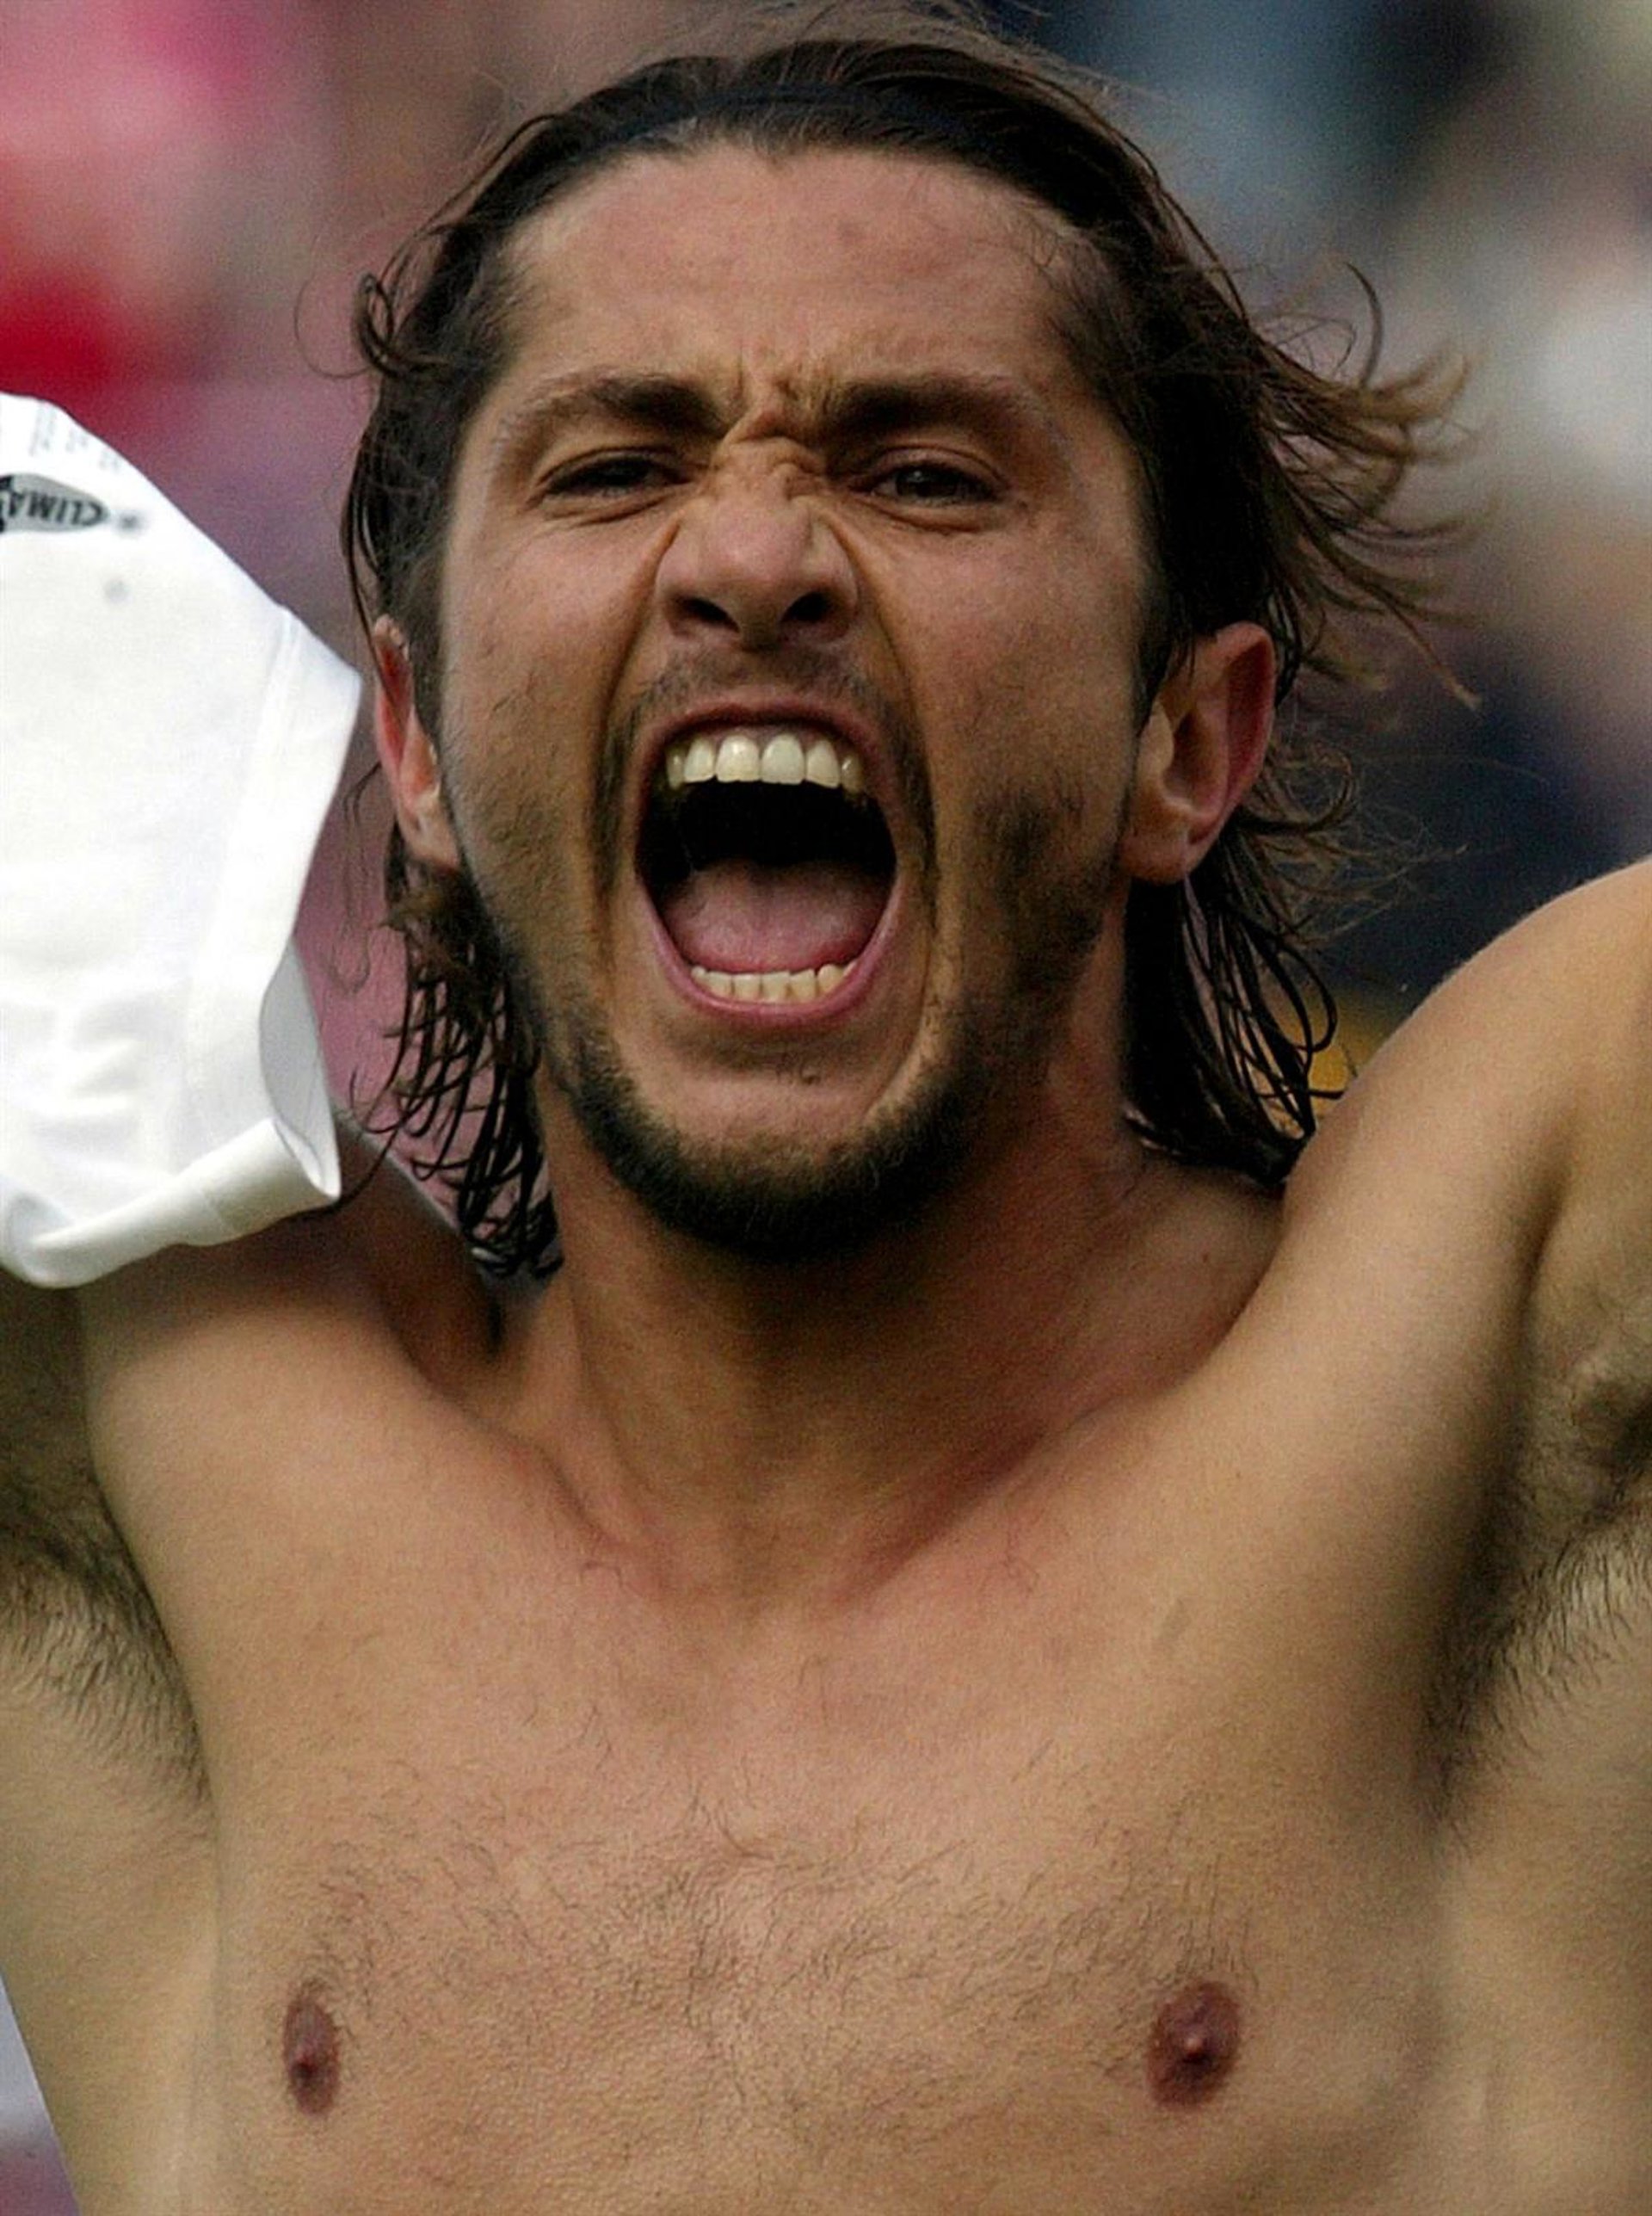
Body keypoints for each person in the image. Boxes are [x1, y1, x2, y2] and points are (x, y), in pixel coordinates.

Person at [2, 6, 1648, 2209]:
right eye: (615, 468)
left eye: (924, 472)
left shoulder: (1479, 1382)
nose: (754, 553)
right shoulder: (158, 1432)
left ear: (1191, 739)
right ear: (412, 740)